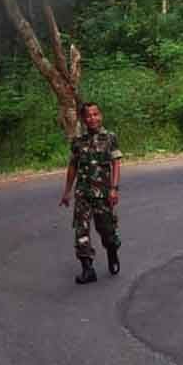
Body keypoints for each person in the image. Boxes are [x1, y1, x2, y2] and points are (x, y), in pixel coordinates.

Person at [59, 102, 122, 284]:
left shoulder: (109, 137)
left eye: (95, 114)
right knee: (81, 230)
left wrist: (113, 188)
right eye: (88, 115)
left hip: (103, 194)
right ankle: (87, 269)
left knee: (107, 230)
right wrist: (67, 191)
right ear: (83, 119)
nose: (92, 118)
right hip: (83, 194)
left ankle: (112, 251)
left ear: (100, 116)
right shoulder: (78, 141)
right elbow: (73, 166)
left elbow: (116, 163)